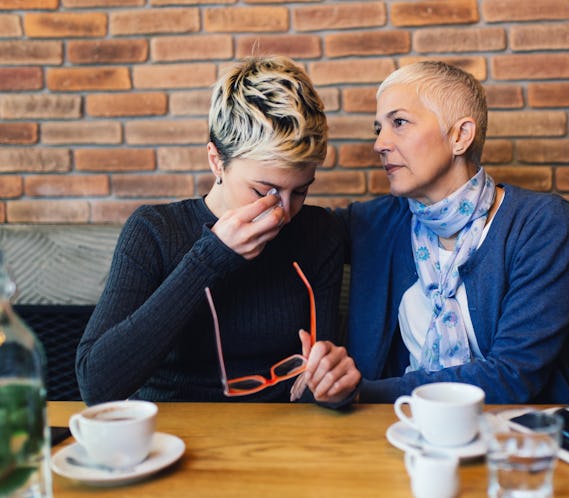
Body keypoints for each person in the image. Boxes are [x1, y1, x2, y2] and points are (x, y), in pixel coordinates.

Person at [76, 56, 360, 407]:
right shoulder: (154, 232)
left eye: (300, 191)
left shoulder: (320, 233)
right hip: (171, 436)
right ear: (216, 161)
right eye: (264, 191)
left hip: (283, 443)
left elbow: (314, 386)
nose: (284, 212)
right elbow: (96, 385)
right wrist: (209, 258)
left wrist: (335, 387)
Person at [337, 61, 569, 404]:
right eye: (378, 128)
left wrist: (362, 392)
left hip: (519, 435)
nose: (380, 143)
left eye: (399, 123)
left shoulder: (540, 223)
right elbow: (287, 224)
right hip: (402, 428)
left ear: (459, 136)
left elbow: (514, 376)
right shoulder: (374, 224)